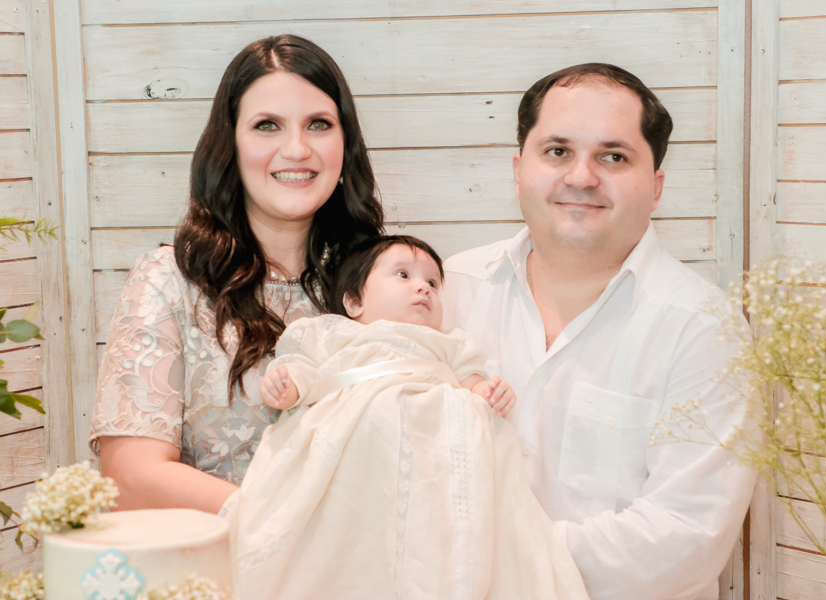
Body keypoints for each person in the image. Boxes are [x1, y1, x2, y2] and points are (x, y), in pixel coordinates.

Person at [442, 63, 757, 600]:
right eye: (557, 151)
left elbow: (684, 541)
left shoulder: (705, 329)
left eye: (614, 157)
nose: (582, 177)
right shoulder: (453, 289)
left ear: (656, 187)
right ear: (518, 171)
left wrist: (485, 556)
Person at [89, 34, 383, 514]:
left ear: (345, 145)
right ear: (230, 146)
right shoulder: (171, 280)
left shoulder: (381, 280)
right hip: (221, 554)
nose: (297, 148)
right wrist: (285, 525)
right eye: (267, 125)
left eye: (319, 124)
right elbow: (131, 478)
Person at [227, 235, 588, 600]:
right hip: (361, 437)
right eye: (403, 275)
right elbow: (305, 371)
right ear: (354, 301)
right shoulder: (335, 332)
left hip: (435, 446)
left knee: (443, 511)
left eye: (432, 282)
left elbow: (472, 381)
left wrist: (488, 392)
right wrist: (285, 385)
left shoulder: (449, 342)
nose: (423, 287)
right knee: (348, 522)